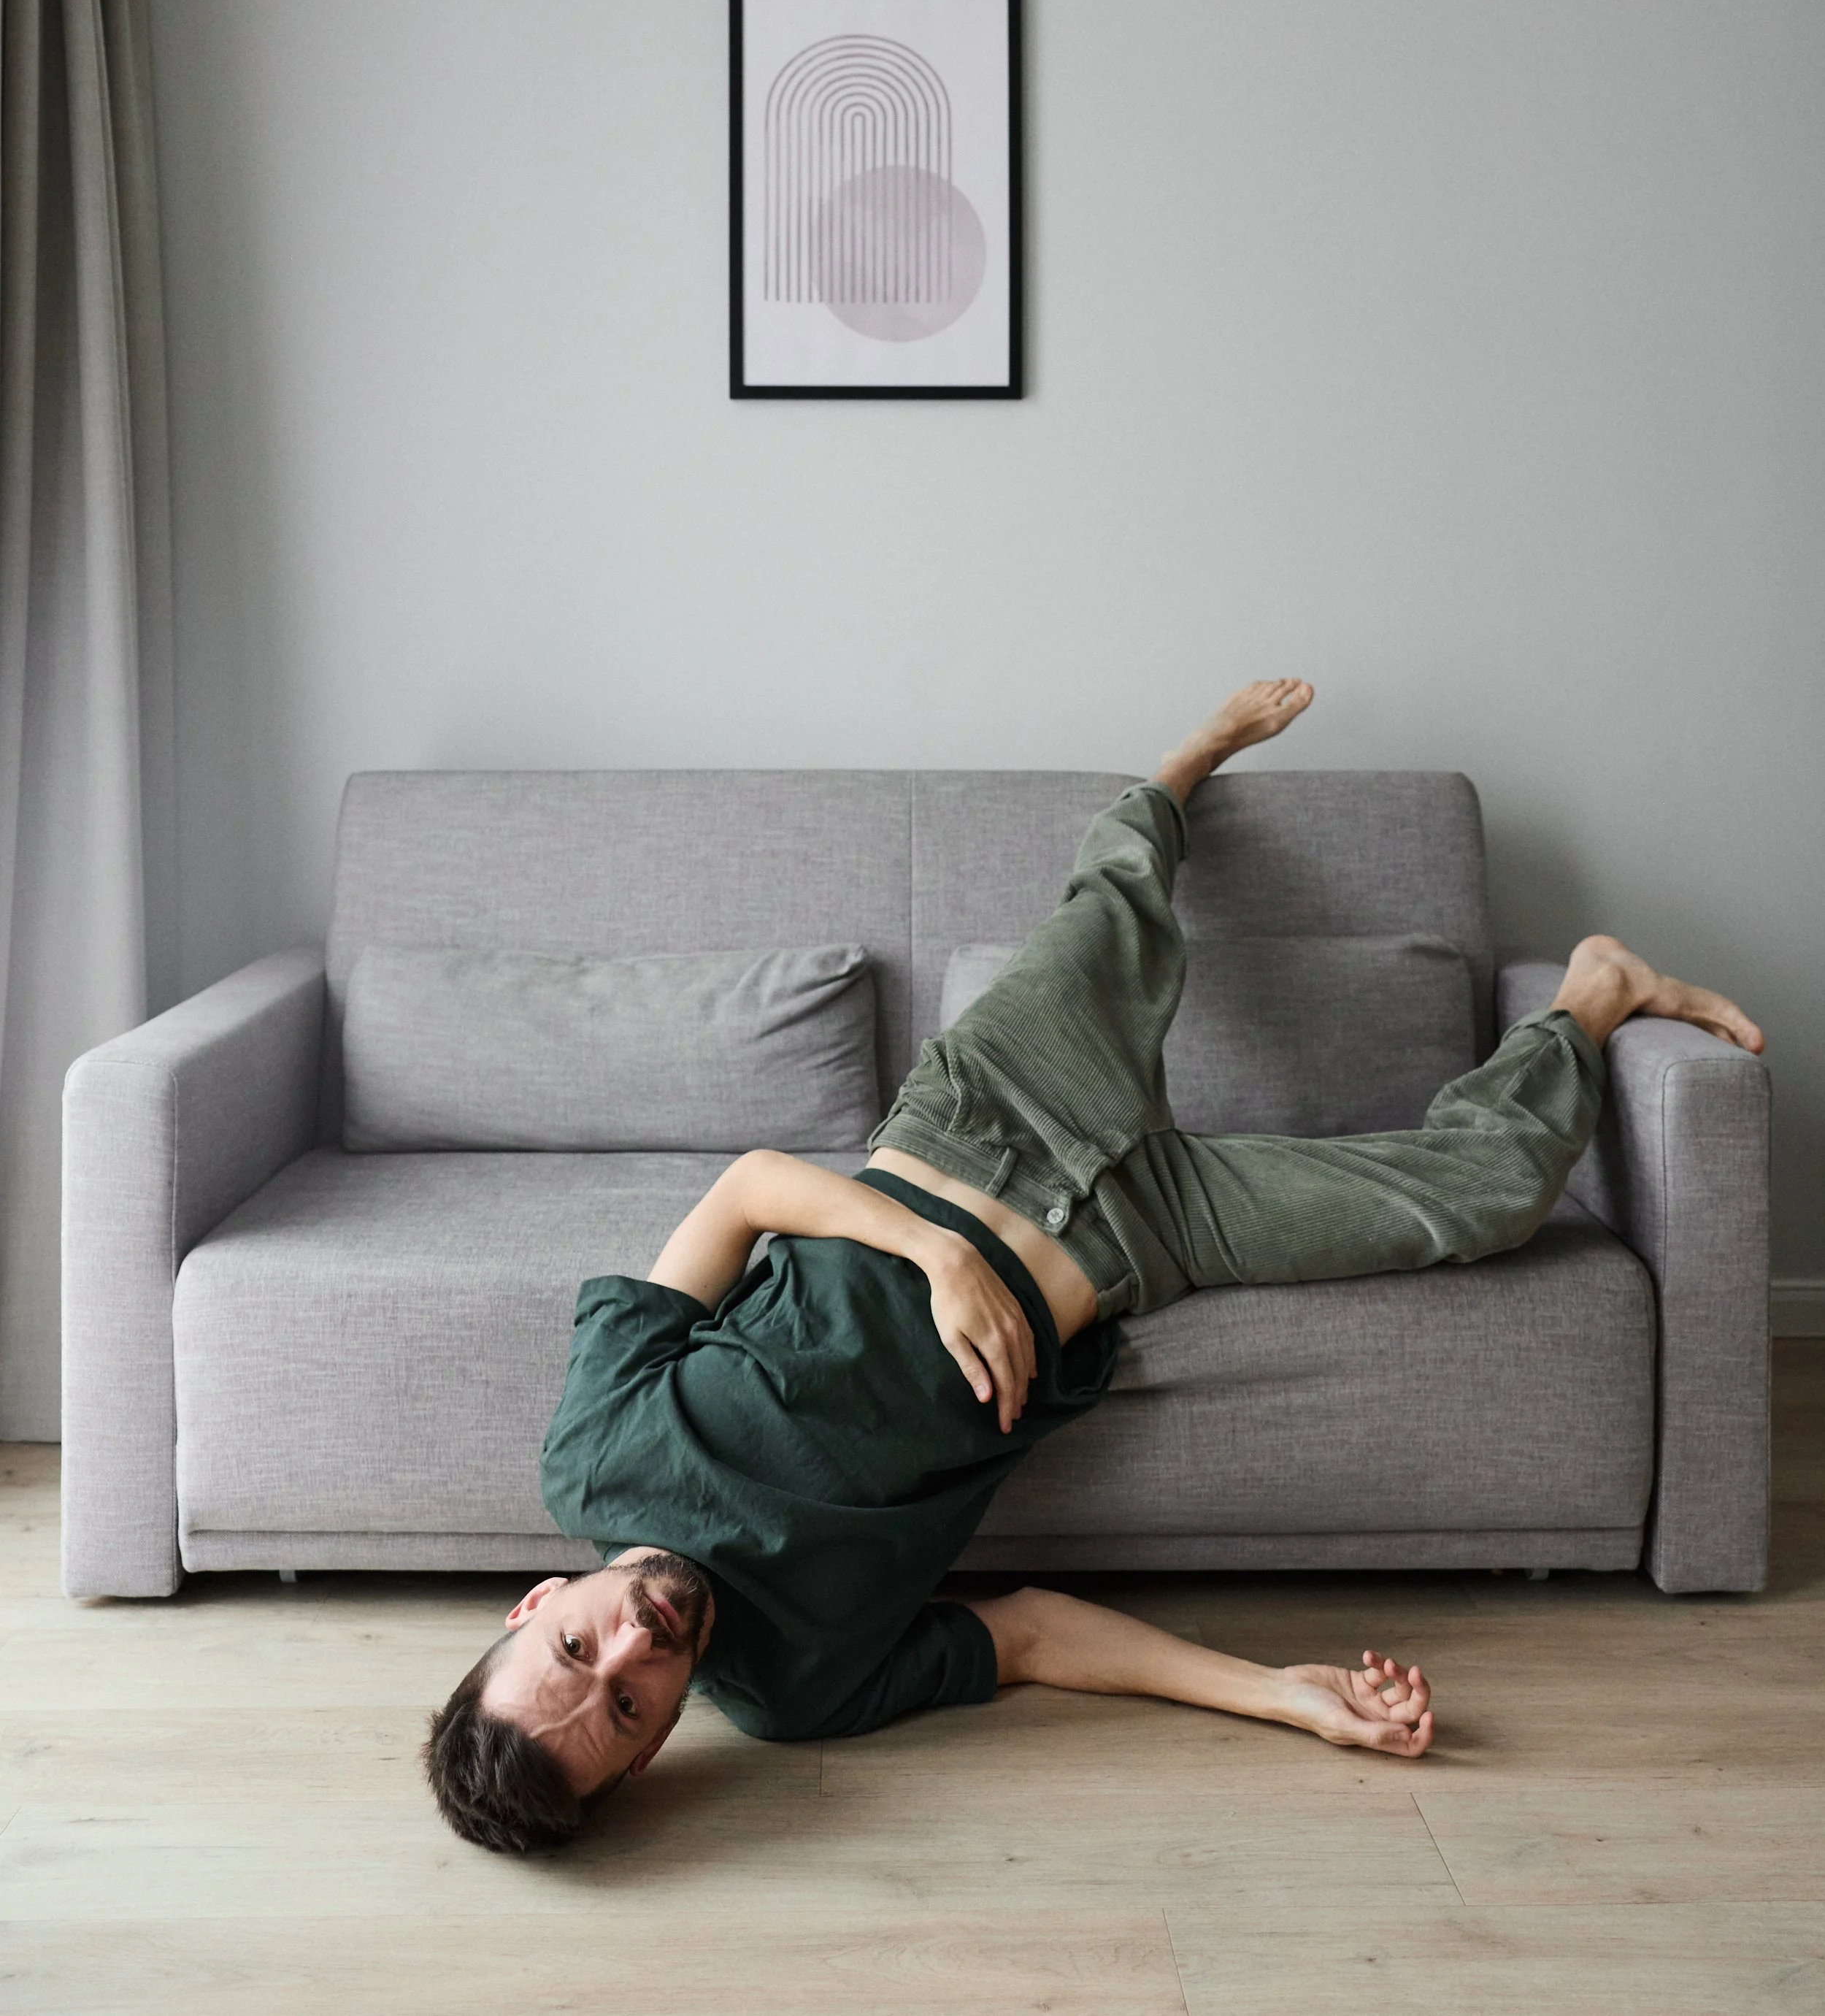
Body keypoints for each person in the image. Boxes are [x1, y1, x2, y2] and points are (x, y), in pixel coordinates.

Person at [422, 682, 1764, 1854]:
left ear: (540, 1601)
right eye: (631, 1708)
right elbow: (1032, 1638)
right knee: (1486, 1197)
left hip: (981, 1118)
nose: (635, 1653)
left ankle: (1180, 770)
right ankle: (1596, 990)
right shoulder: (801, 1689)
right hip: (1142, 1241)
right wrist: (1283, 1697)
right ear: (658, 1750)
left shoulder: (591, 1453)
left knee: (1120, 901)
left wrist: (935, 1249)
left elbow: (745, 1193)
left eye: (577, 1649)